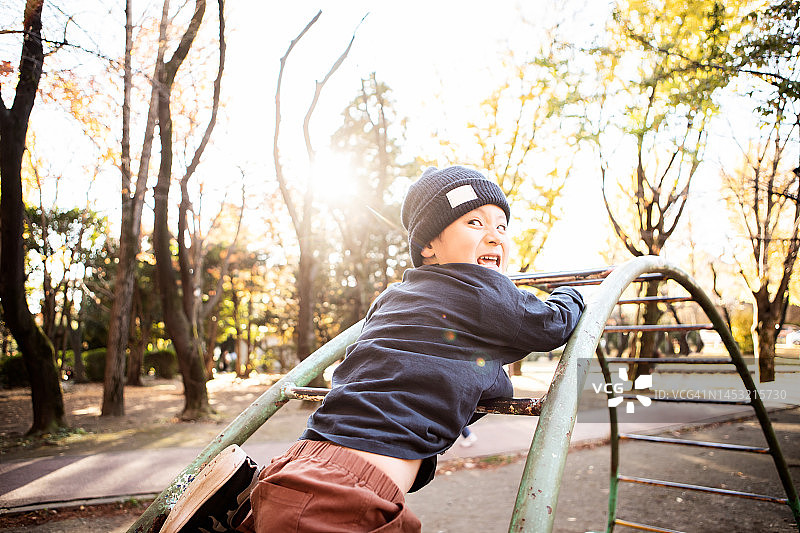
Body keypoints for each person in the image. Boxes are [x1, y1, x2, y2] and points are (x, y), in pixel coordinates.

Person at [161, 165, 585, 533]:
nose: (494, 236)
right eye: (474, 223)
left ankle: (242, 500)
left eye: (501, 226)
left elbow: (423, 371)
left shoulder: (394, 299)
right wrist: (574, 294)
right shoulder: (484, 289)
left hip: (305, 457)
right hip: (348, 493)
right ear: (428, 246)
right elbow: (551, 324)